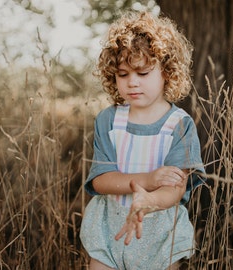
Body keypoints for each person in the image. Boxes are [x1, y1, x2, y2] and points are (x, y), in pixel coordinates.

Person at [80, 11, 206, 270]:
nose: (132, 83)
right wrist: (148, 180)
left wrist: (149, 201)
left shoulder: (179, 124)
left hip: (160, 232)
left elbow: (177, 187)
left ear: (167, 73)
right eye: (123, 74)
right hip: (110, 227)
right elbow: (101, 179)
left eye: (143, 73)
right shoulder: (109, 121)